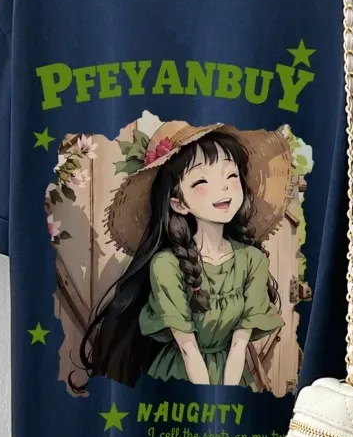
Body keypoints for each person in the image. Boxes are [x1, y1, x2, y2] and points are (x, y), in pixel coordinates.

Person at [80, 121, 291, 390]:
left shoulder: (252, 260)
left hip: (233, 378)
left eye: (231, 175)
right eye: (202, 181)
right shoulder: (166, 264)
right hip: (180, 380)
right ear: (179, 203)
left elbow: (240, 344)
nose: (224, 188)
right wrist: (208, 399)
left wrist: (223, 395)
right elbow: (188, 348)